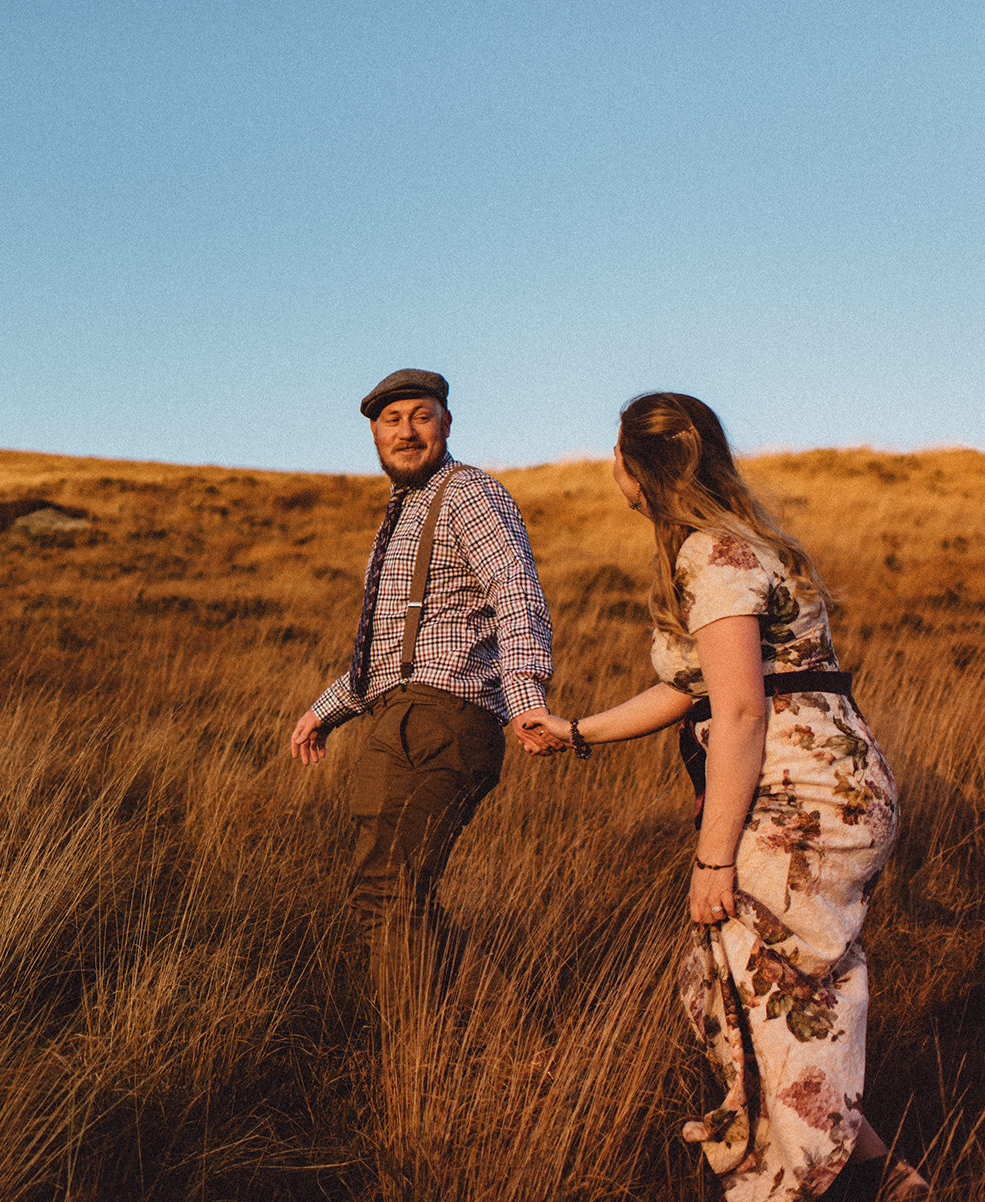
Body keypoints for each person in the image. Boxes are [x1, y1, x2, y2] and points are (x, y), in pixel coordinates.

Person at [523, 393, 928, 1202]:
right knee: (746, 985)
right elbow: (694, 686)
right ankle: (878, 1174)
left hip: (797, 799)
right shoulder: (743, 544)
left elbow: (739, 710)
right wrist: (574, 731)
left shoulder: (710, 554)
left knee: (779, 997)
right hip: (834, 789)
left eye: (617, 453)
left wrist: (714, 859)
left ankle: (829, 1184)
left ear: (638, 468)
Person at [290, 368, 558, 961]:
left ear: (446, 423)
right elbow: (397, 650)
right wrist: (325, 709)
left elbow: (514, 590)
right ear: (374, 433)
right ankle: (443, 1030)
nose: (407, 431)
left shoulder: (467, 492)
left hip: (436, 719)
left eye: (421, 415)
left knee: (388, 894)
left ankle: (408, 1049)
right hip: (401, 715)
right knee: (400, 893)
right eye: (393, 419)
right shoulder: (403, 511)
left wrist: (525, 697)